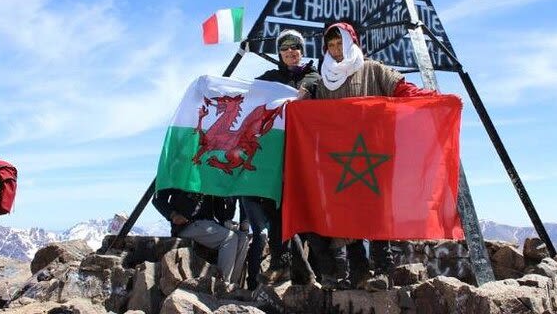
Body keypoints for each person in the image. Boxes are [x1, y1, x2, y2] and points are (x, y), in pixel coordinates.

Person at [314, 22, 435, 291]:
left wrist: (432, 99)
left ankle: (382, 270)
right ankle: (358, 272)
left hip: (374, 153)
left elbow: (403, 90)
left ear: (351, 42)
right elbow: (313, 117)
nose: (335, 50)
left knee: (378, 212)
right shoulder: (324, 80)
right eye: (330, 45)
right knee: (349, 215)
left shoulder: (372, 69)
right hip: (341, 159)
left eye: (339, 44)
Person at [241, 29, 320, 289]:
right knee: (275, 209)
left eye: (295, 47)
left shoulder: (315, 77)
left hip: (308, 154)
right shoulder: (270, 79)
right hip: (277, 155)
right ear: (279, 53)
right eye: (285, 48)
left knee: (309, 217)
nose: (290, 52)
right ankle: (280, 264)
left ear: (302, 49)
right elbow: (247, 94)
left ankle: (314, 274)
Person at [152, 189, 248, 292]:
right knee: (230, 238)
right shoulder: (181, 175)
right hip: (187, 224)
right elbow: (157, 198)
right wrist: (173, 215)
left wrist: (229, 203)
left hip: (208, 224)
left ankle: (232, 285)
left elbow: (221, 213)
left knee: (243, 238)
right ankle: (222, 285)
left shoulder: (211, 178)